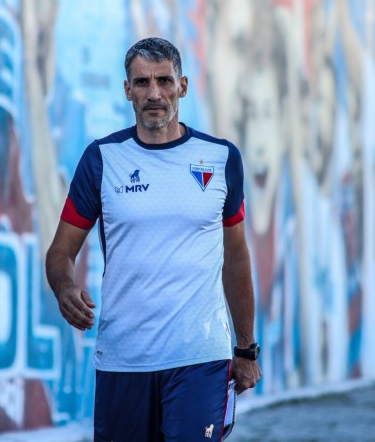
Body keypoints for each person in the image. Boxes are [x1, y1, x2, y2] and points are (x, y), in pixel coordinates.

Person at [46, 37, 261, 440]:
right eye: (142, 83)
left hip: (201, 358)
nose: (154, 94)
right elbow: (61, 250)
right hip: (123, 360)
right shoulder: (102, 159)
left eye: (164, 80)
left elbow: (236, 257)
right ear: (127, 90)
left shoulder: (221, 158)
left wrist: (246, 349)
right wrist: (63, 286)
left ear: (182, 85)